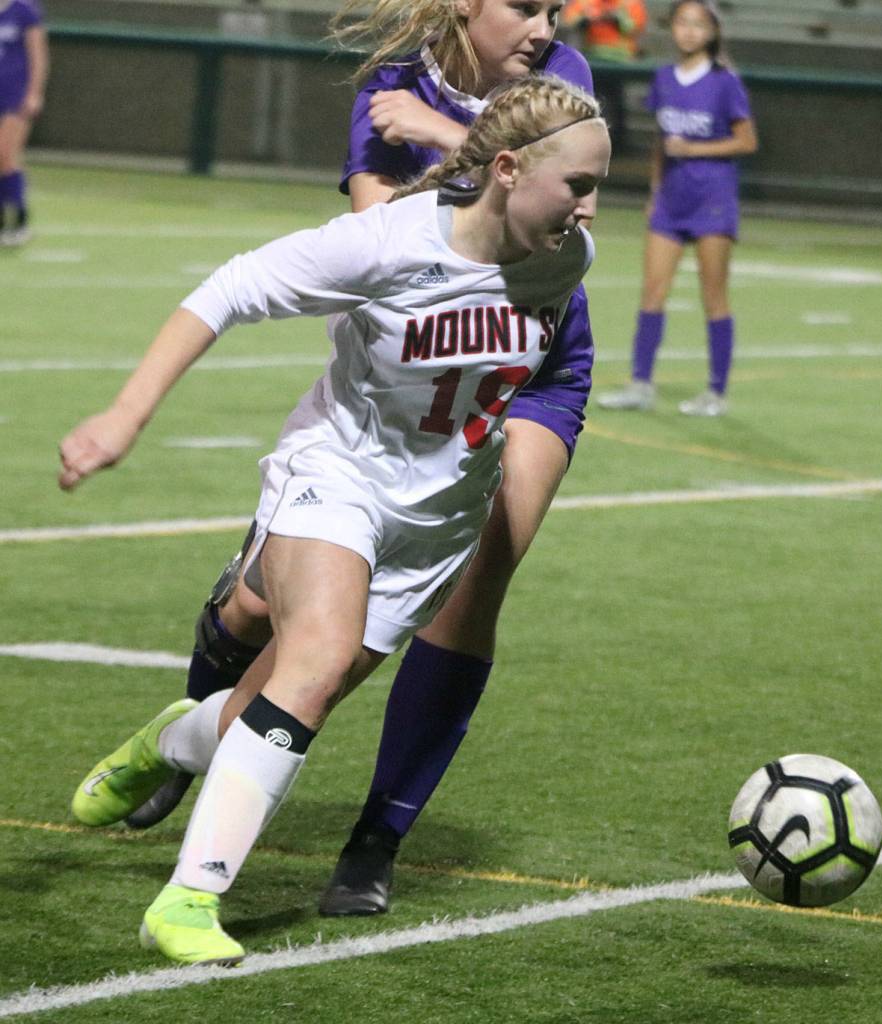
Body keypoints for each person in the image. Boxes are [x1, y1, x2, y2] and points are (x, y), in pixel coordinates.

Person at [62, 75, 610, 967]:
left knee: (270, 705)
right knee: (311, 663)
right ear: (508, 169)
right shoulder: (386, 243)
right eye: (577, 187)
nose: (589, 211)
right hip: (337, 476)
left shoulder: (564, 259)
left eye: (596, 190)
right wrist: (125, 415)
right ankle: (189, 900)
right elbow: (231, 289)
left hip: (437, 521)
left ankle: (172, 739)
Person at [598, 0, 756, 416]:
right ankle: (640, 383)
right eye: (682, 22)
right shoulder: (665, 77)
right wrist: (654, 189)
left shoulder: (726, 82)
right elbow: (660, 142)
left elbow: (747, 141)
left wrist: (696, 148)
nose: (688, 31)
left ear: (712, 31)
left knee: (713, 295)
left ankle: (716, 392)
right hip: (671, 201)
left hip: (712, 202)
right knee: (652, 291)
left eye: (697, 24)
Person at [0, 0, 47, 246]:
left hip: (15, 94)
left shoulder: (24, 10)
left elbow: (38, 55)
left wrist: (34, 93)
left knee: (6, 155)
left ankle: (19, 220)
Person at [562, 0, 647, 63]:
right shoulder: (585, 2)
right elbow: (570, 21)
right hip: (590, 57)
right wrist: (586, 19)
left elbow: (637, 27)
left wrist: (617, 19)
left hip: (621, 59)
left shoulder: (629, 3)